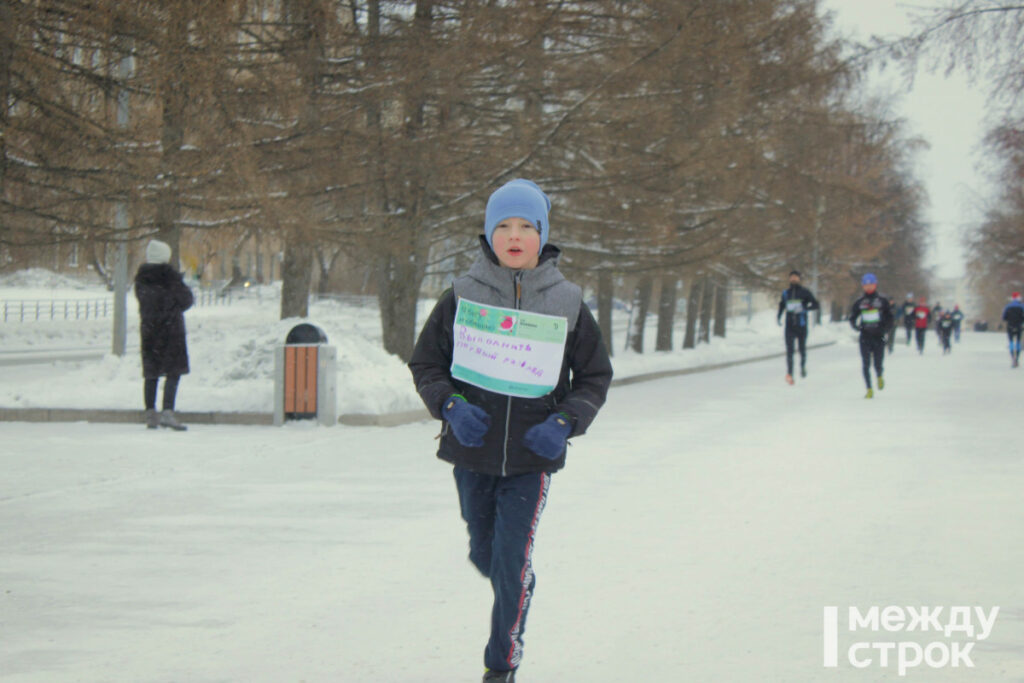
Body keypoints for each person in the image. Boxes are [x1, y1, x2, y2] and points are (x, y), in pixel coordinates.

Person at [408, 179, 613, 683]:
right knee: (486, 554)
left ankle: (500, 665)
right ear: (488, 233)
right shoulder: (461, 296)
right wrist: (450, 405)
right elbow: (426, 364)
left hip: (530, 459)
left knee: (510, 562)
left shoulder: (567, 302)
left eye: (526, 226)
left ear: (541, 235)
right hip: (471, 454)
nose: (514, 235)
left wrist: (565, 422)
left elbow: (594, 376)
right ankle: (514, 581)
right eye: (503, 226)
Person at [134, 239, 193, 430]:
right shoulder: (170, 278)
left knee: (151, 372)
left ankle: (150, 413)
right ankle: (167, 411)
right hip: (171, 330)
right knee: (173, 371)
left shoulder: (141, 279)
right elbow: (186, 300)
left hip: (149, 330)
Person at [850, 273, 893, 398]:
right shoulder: (859, 302)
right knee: (865, 364)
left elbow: (890, 317)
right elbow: (852, 317)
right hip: (865, 337)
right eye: (866, 285)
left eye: (871, 285)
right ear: (863, 286)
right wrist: (856, 326)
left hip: (878, 336)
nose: (868, 287)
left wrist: (885, 329)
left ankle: (879, 375)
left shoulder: (882, 301)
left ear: (875, 285)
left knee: (878, 363)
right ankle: (869, 388)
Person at [776, 269, 820, 384]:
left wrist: (805, 309)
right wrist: (779, 316)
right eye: (792, 277)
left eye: (796, 277)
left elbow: (815, 304)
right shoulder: (786, 293)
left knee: (802, 349)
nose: (793, 279)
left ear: (799, 279)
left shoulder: (805, 292)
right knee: (789, 350)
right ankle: (790, 373)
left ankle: (802, 367)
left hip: (801, 325)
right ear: (789, 279)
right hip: (789, 325)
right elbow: (782, 305)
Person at [1002, 292, 1024, 368]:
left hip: (1010, 326)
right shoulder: (1022, 306)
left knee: (1011, 342)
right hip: (1019, 326)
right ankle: (1017, 358)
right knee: (1018, 342)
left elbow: (1004, 317)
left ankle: (1012, 358)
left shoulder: (1007, 306)